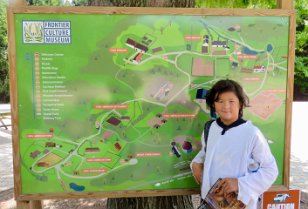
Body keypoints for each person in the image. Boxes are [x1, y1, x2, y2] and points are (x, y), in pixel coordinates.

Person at [191, 79, 278, 209]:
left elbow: (270, 170)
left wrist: (239, 183)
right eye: (220, 101)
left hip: (238, 204)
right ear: (213, 105)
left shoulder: (252, 134)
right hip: (210, 203)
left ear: (240, 104)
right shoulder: (210, 128)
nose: (226, 106)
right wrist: (196, 163)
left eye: (231, 101)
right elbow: (206, 152)